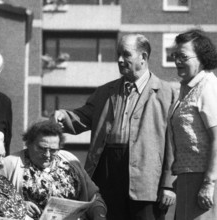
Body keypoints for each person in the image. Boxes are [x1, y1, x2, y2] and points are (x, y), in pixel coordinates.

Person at [51, 34, 177, 219]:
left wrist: (168, 184)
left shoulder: (167, 94)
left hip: (147, 181)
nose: (119, 60)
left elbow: (174, 144)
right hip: (107, 172)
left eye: (126, 54)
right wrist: (63, 116)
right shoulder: (104, 92)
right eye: (118, 54)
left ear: (143, 57)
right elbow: (83, 117)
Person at [2, 120, 107, 220]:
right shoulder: (9, 164)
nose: (47, 155)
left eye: (53, 150)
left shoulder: (70, 160)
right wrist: (18, 205)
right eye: (42, 148)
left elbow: (93, 196)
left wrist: (99, 215)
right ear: (29, 143)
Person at [169, 29, 217, 220]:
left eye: (183, 56)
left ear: (202, 58)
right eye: (175, 55)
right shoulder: (188, 89)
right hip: (187, 179)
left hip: (204, 180)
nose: (177, 61)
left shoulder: (208, 87)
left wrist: (209, 182)